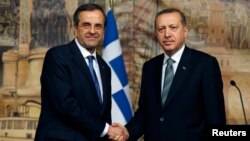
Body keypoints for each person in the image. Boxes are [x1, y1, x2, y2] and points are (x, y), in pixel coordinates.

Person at [125, 8, 226, 141]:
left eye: (173, 27)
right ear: (156, 33)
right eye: (161, 29)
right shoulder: (150, 67)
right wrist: (126, 132)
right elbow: (145, 113)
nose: (167, 34)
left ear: (185, 31)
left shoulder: (205, 65)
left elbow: (216, 119)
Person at [35, 3, 128, 141]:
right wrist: (107, 129)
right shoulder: (57, 56)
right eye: (86, 25)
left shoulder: (104, 68)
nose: (92, 31)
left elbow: (103, 115)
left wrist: (113, 133)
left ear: (103, 31)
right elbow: (65, 105)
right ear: (75, 29)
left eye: (98, 26)